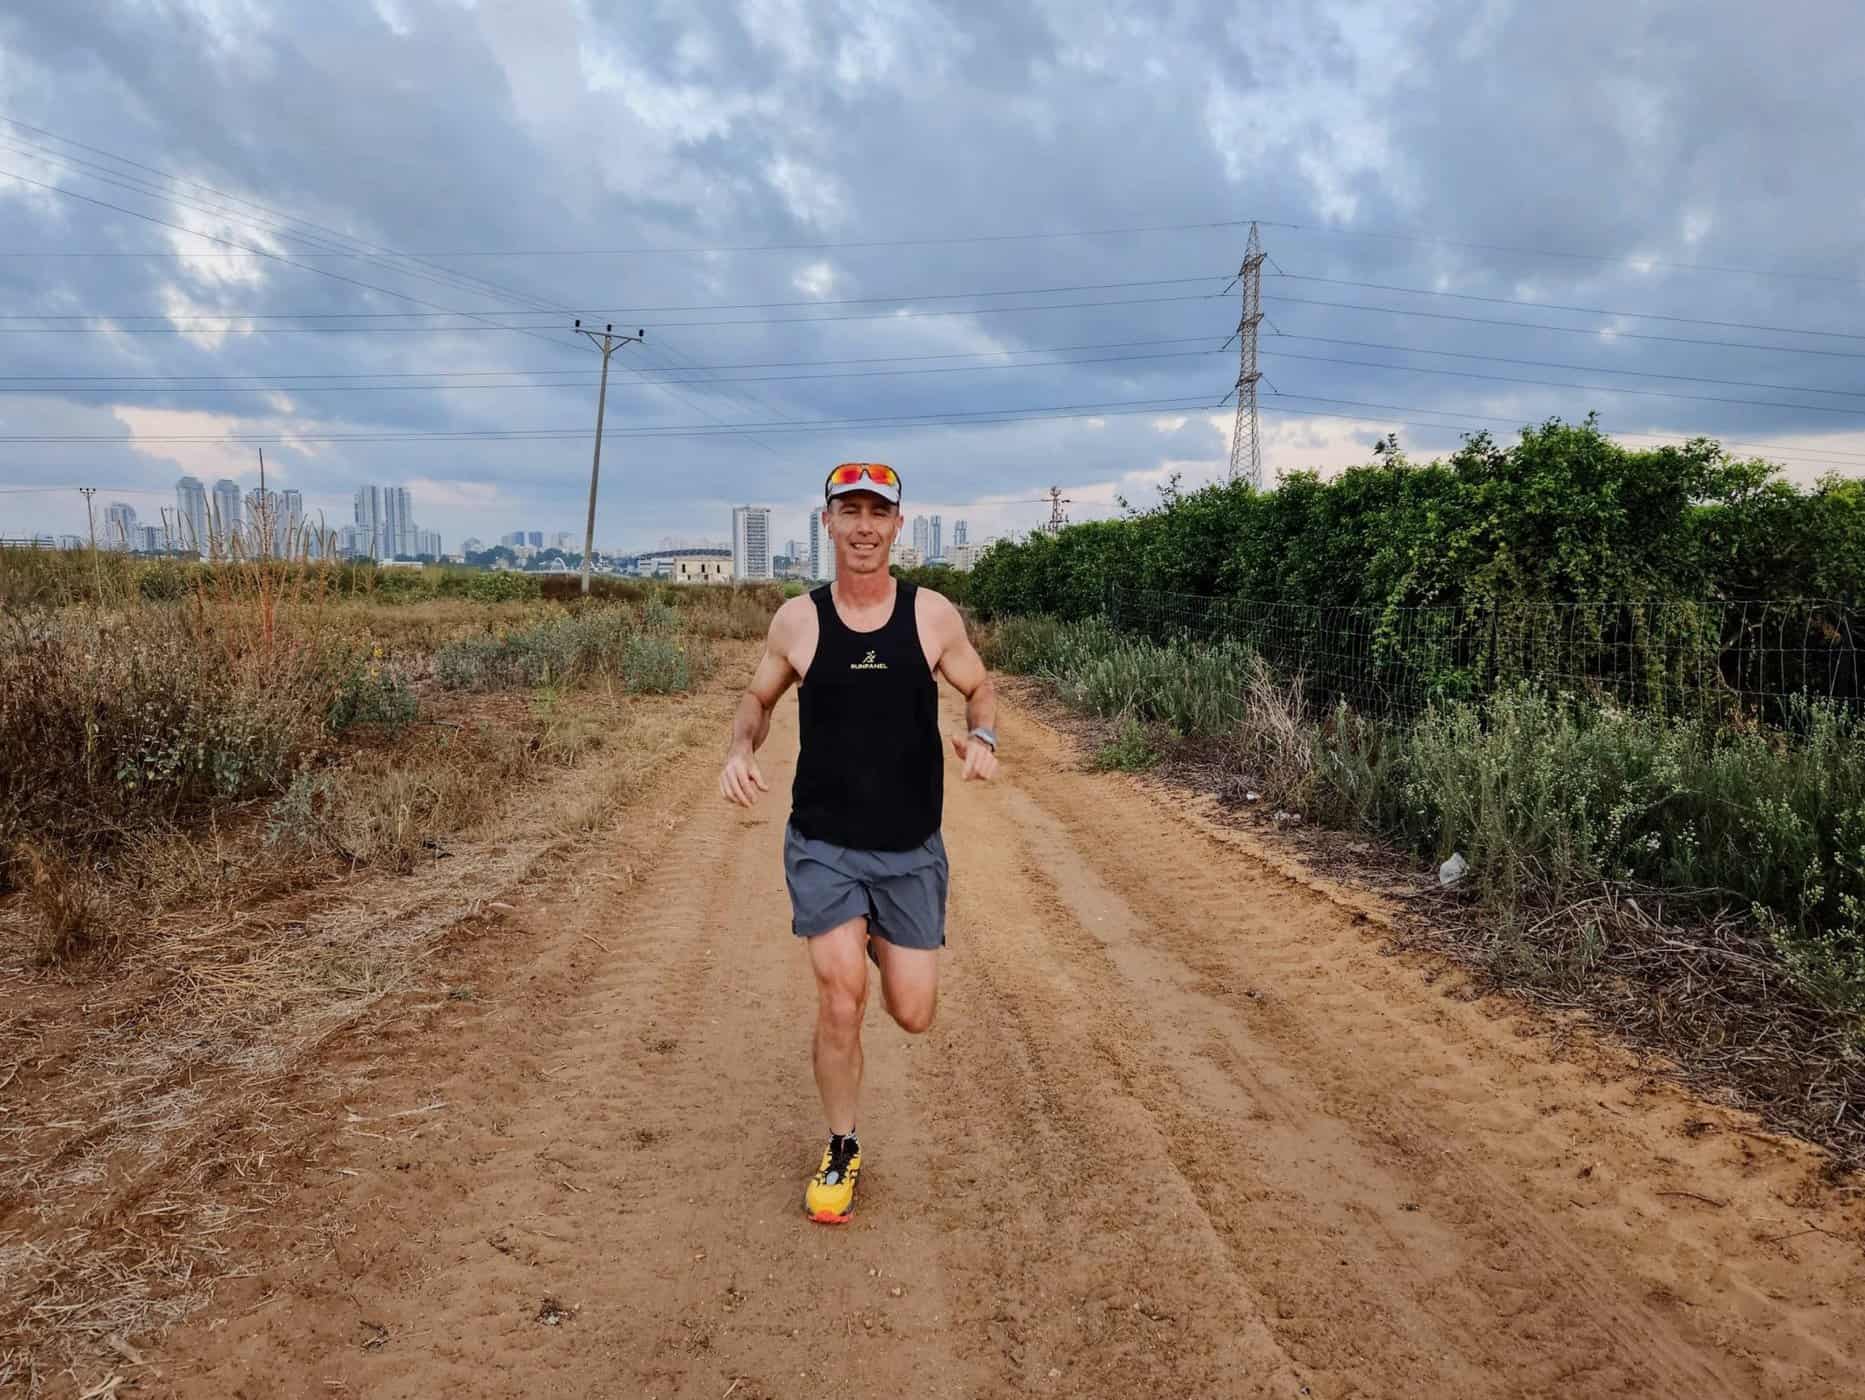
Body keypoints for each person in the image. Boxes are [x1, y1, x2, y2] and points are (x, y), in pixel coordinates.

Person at [719, 462, 998, 1224]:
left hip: (909, 848)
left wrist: (982, 736)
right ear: (828, 522)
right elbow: (756, 698)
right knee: (840, 996)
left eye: (878, 512)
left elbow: (978, 686)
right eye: (850, 511)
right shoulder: (797, 621)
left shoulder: (931, 616)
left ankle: (875, 933)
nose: (864, 526)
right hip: (825, 843)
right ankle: (841, 1145)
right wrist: (739, 747)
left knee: (913, 1011)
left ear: (897, 525)